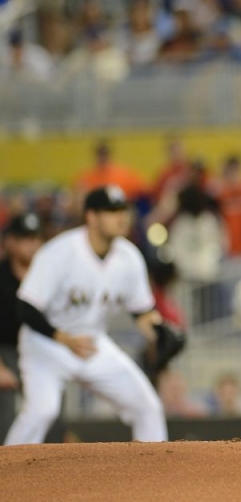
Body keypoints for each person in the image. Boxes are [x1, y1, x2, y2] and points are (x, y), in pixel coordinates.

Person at [4, 186, 168, 445]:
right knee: (42, 412)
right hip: (46, 346)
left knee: (148, 407)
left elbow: (142, 312)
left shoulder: (129, 257)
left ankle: (156, 476)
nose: (121, 217)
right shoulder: (59, 252)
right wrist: (64, 339)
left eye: (123, 210)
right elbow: (26, 308)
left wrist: (160, 331)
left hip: (92, 343)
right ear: (91, 217)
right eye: (112, 211)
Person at [0, 214, 44, 442]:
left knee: (49, 409)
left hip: (39, 351)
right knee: (4, 414)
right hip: (6, 351)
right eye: (25, 238)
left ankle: (54, 472)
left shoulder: (47, 275)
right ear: (10, 242)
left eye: (36, 238)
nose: (32, 244)